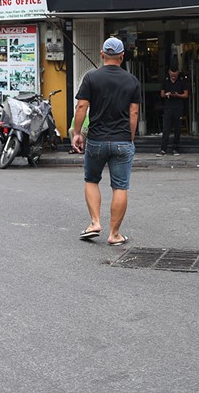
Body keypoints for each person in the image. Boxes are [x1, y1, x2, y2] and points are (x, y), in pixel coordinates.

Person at [72, 37, 141, 246]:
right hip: (121, 140)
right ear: (122, 56)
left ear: (102, 54)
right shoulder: (132, 81)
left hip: (96, 140)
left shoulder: (91, 77)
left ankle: (94, 223)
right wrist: (129, 138)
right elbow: (134, 112)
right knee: (120, 186)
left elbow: (81, 107)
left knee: (92, 180)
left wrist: (77, 133)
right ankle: (114, 234)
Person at [157, 63, 189, 156]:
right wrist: (168, 94)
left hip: (178, 107)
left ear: (178, 73)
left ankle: (175, 148)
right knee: (166, 128)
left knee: (177, 129)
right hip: (168, 107)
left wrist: (177, 95)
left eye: (175, 75)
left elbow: (186, 94)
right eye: (172, 75)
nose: (173, 77)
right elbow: (162, 94)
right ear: (169, 73)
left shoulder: (182, 81)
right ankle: (163, 149)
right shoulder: (165, 81)